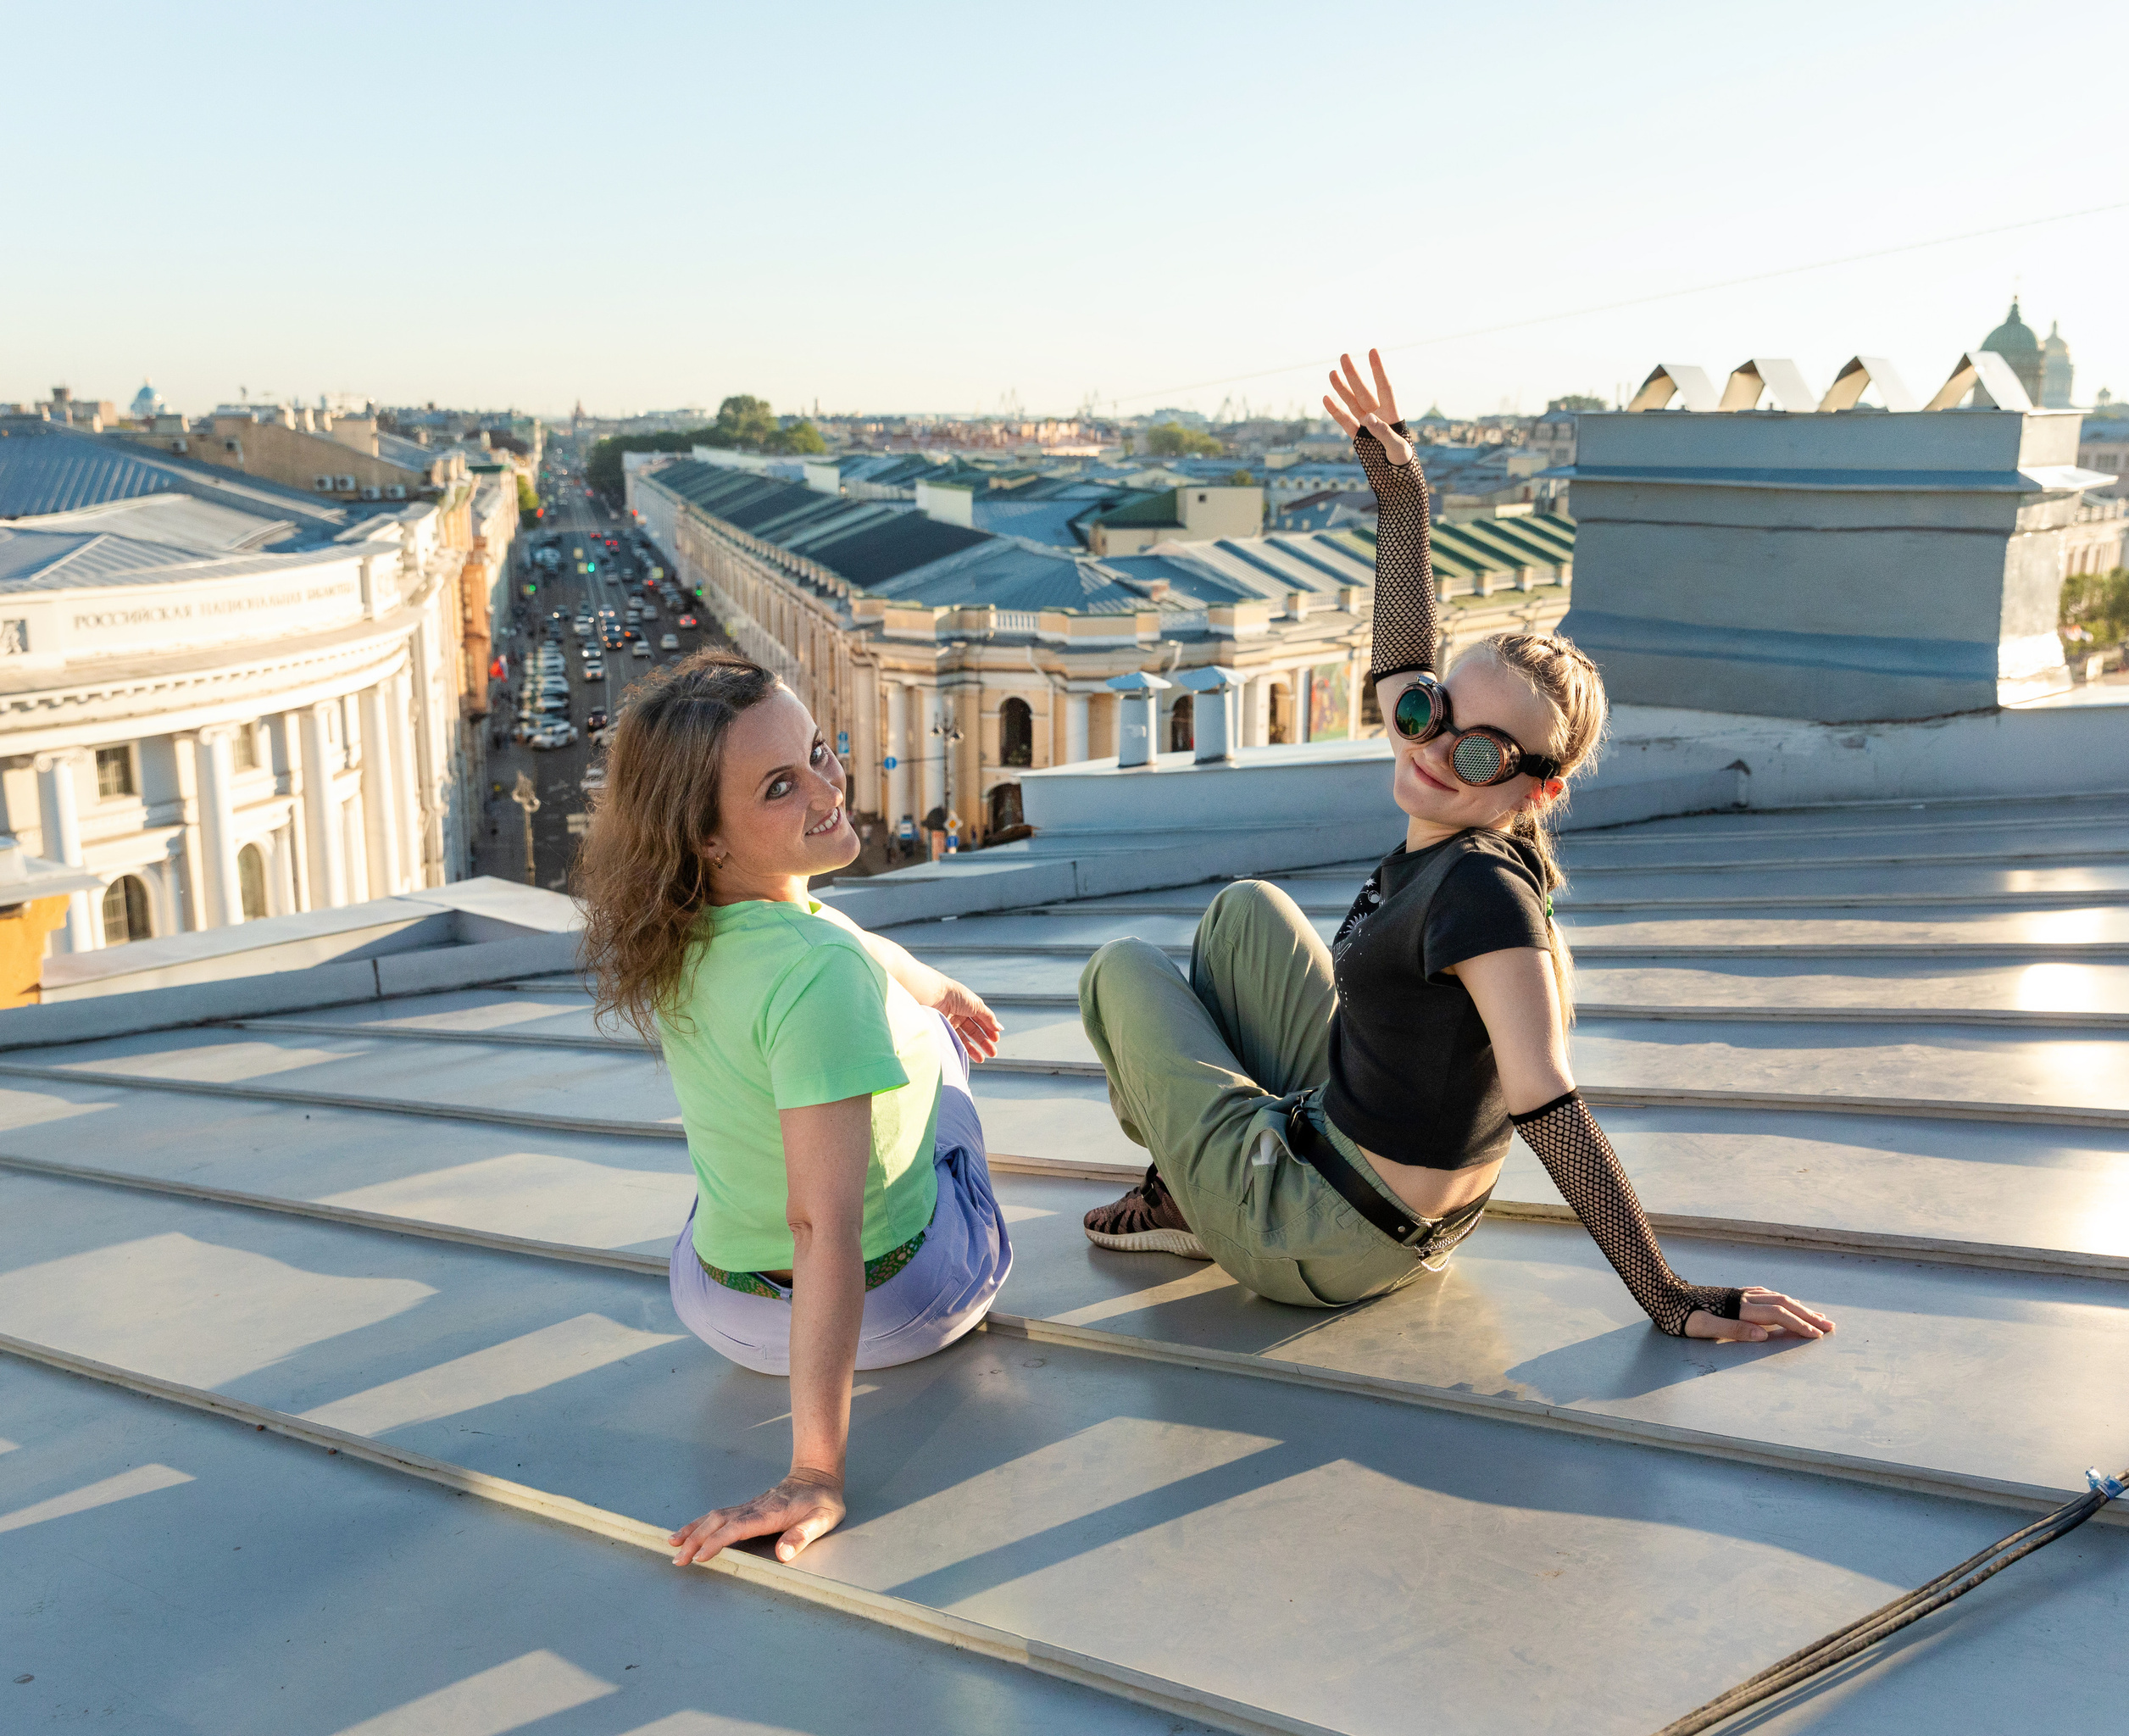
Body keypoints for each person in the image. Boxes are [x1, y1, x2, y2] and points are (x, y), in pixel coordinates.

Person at [1076, 350, 1834, 1348]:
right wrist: (1403, 498)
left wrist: (1669, 1294)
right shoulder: (1460, 806)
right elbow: (1399, 658)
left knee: (1121, 969)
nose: (1431, 745)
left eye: (1476, 749)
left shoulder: (1481, 895)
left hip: (1327, 1232)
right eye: (1434, 712)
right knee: (1242, 913)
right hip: (1355, 1156)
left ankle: (1199, 1194)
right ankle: (1202, 1178)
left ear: (1535, 788)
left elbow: (1546, 1094)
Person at [575, 650, 1014, 1568]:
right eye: (781, 784)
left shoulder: (684, 927)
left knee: (770, 1118)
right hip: (901, 1305)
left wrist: (931, 981)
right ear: (708, 836)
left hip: (715, 1303)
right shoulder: (820, 975)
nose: (827, 787)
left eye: (819, 752)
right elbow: (824, 1226)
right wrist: (814, 1467)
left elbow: (824, 926)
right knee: (933, 1057)